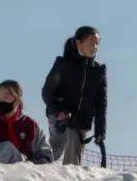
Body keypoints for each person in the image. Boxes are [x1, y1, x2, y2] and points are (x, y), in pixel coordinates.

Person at [41, 26, 107, 165]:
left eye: (97, 43)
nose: (95, 47)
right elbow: (47, 93)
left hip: (82, 121)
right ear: (78, 43)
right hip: (60, 117)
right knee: (56, 150)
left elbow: (101, 103)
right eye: (91, 42)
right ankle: (37, 170)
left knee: (73, 161)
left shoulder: (98, 71)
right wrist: (59, 111)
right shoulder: (63, 64)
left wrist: (100, 130)